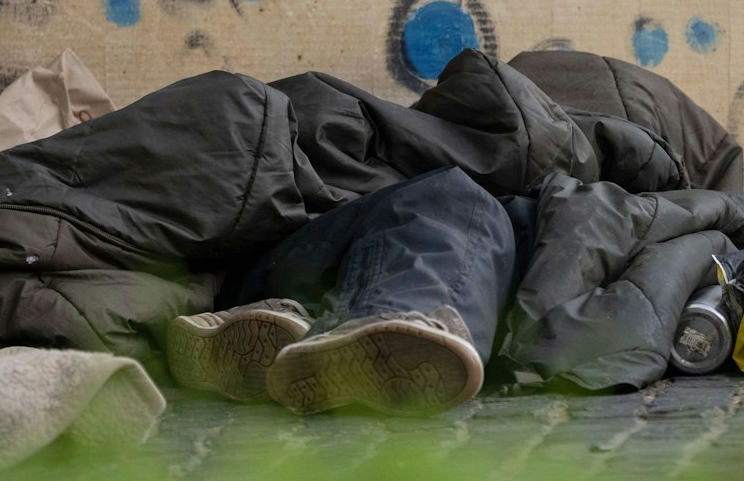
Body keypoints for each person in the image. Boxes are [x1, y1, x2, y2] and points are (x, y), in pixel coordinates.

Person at [166, 168, 514, 417]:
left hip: (318, 255)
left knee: (461, 210)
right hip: (308, 240)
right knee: (456, 202)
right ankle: (387, 320)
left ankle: (295, 322)